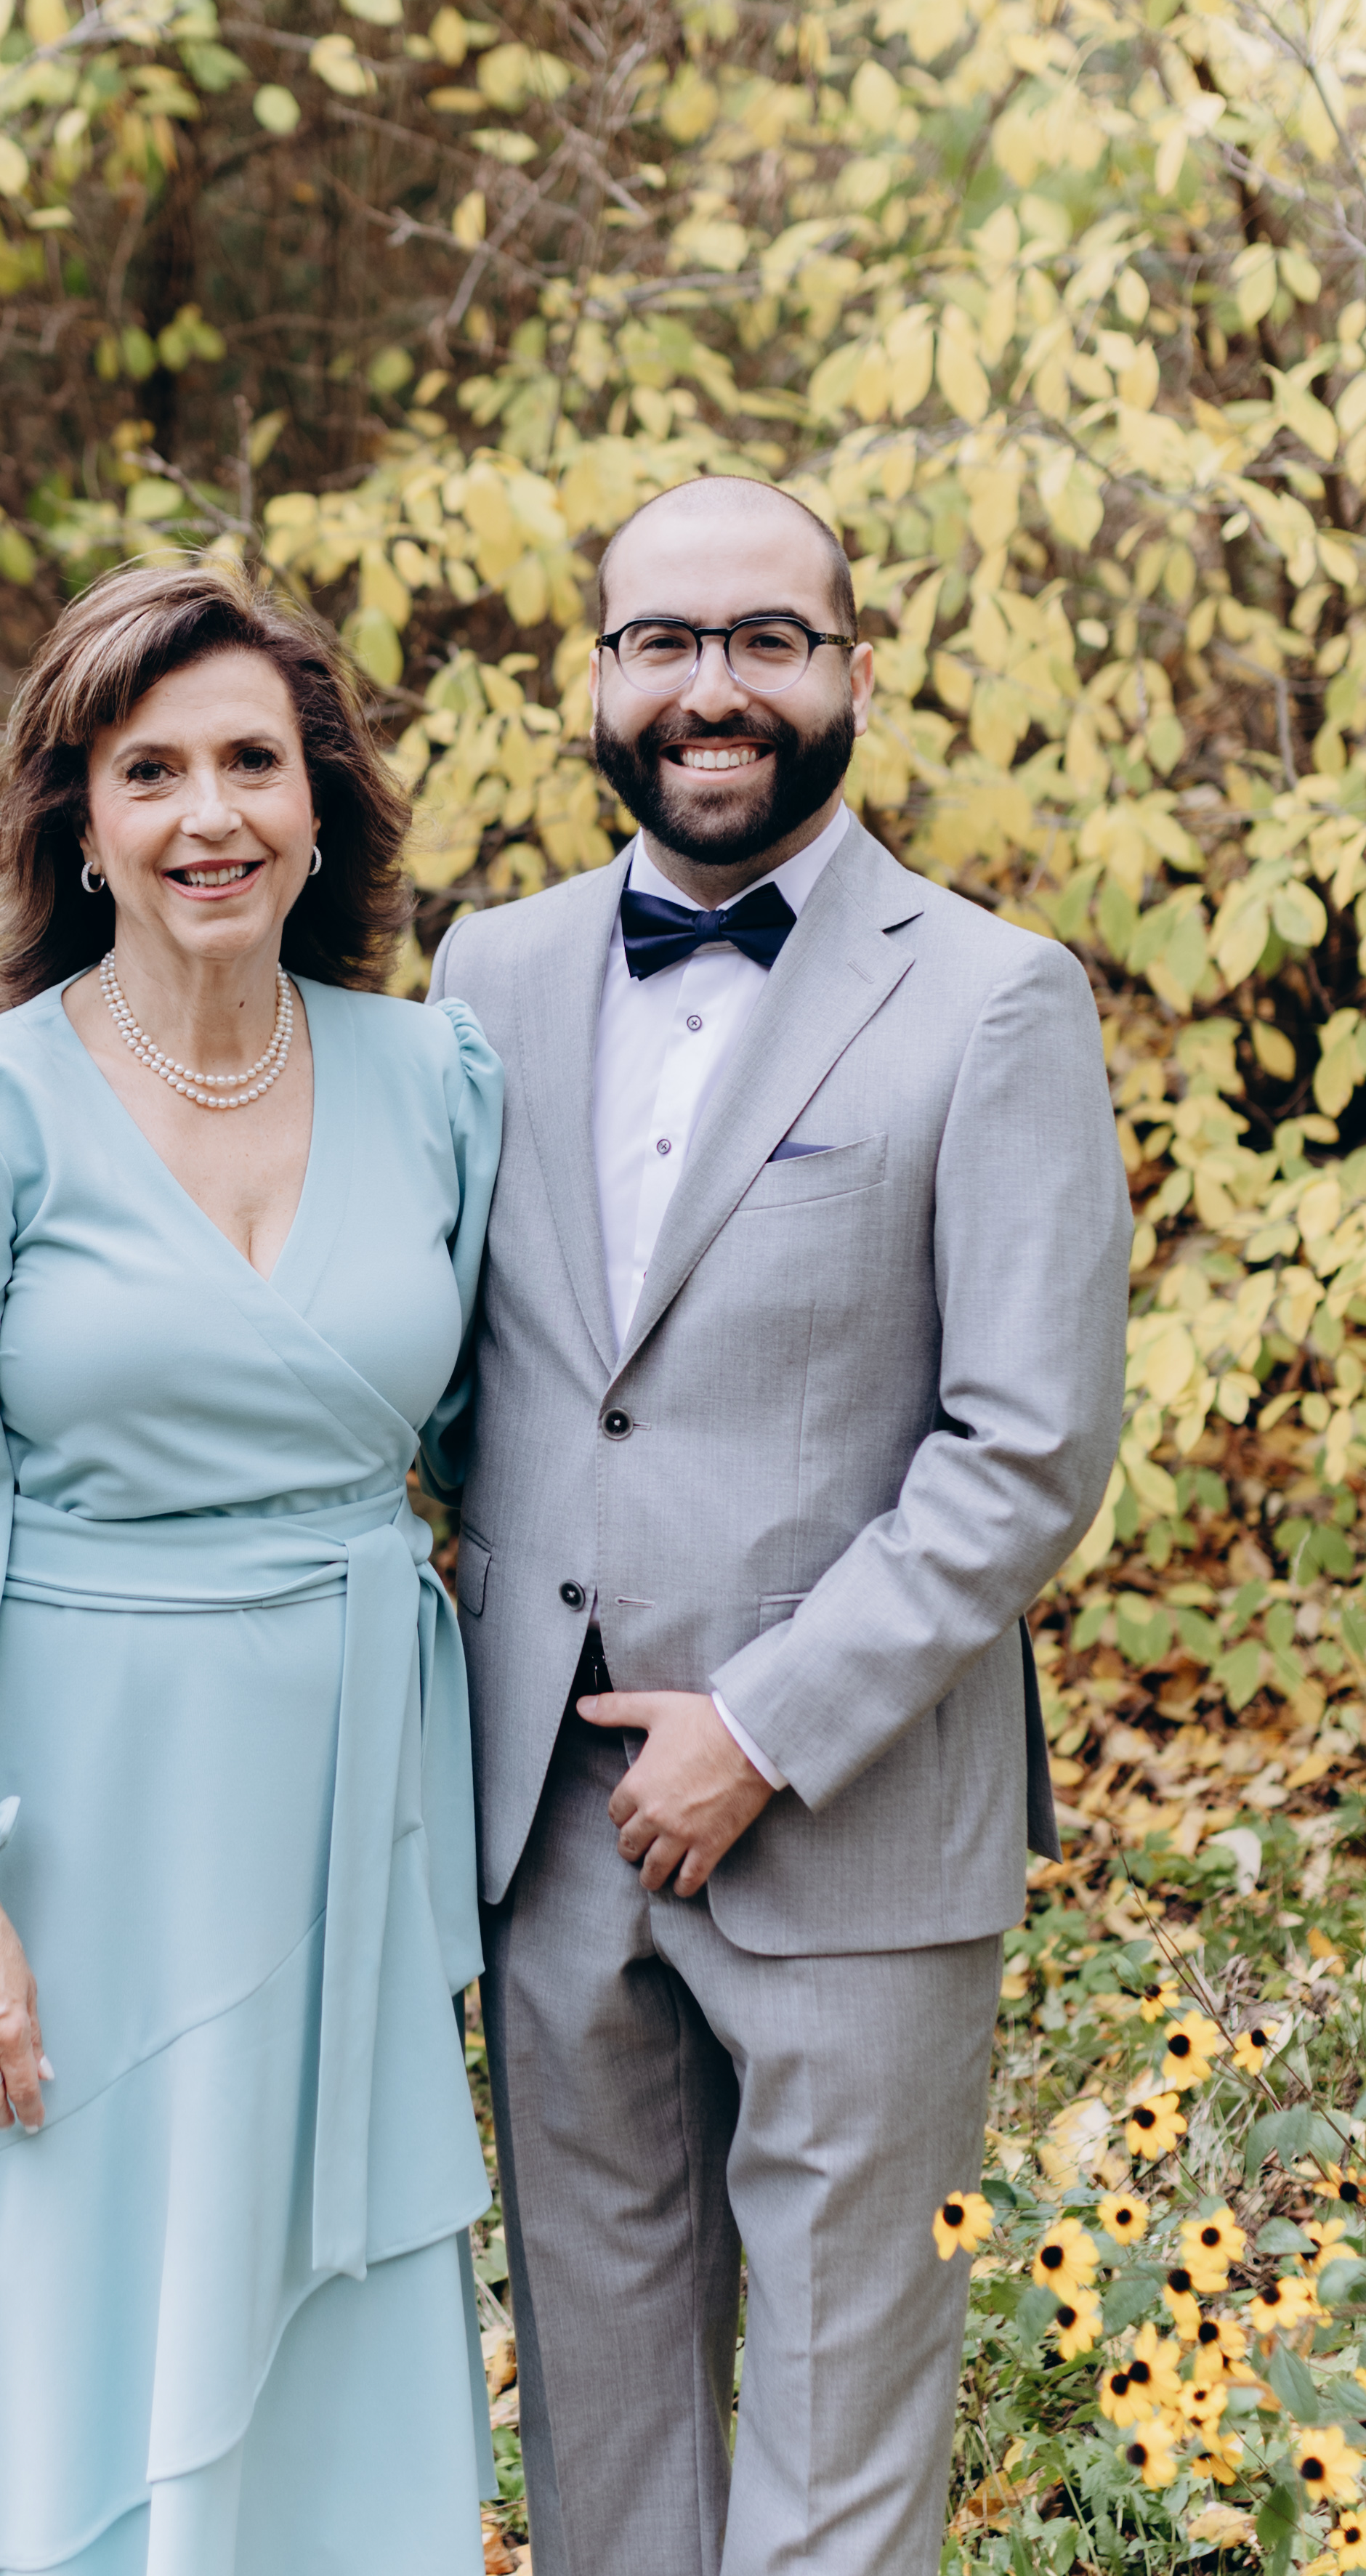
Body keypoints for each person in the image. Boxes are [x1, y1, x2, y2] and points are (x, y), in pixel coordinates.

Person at [0, 562, 504, 2576]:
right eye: (149, 771)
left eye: (252, 761)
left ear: (322, 802)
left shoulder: (440, 1084)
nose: (207, 814)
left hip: (341, 1802)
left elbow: (503, 1450)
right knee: (42, 2303)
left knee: (310, 2317)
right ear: (77, 819)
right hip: (61, 1821)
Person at [425, 475, 1131, 2576]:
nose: (710, 687)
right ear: (597, 674)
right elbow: (452, 1377)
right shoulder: (486, 973)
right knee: (606, 2441)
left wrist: (763, 1723)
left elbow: (1028, 1444)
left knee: (841, 2460)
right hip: (548, 1826)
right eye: (661, 640)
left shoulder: (994, 996)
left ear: (854, 672)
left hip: (852, 1821)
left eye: (766, 640)